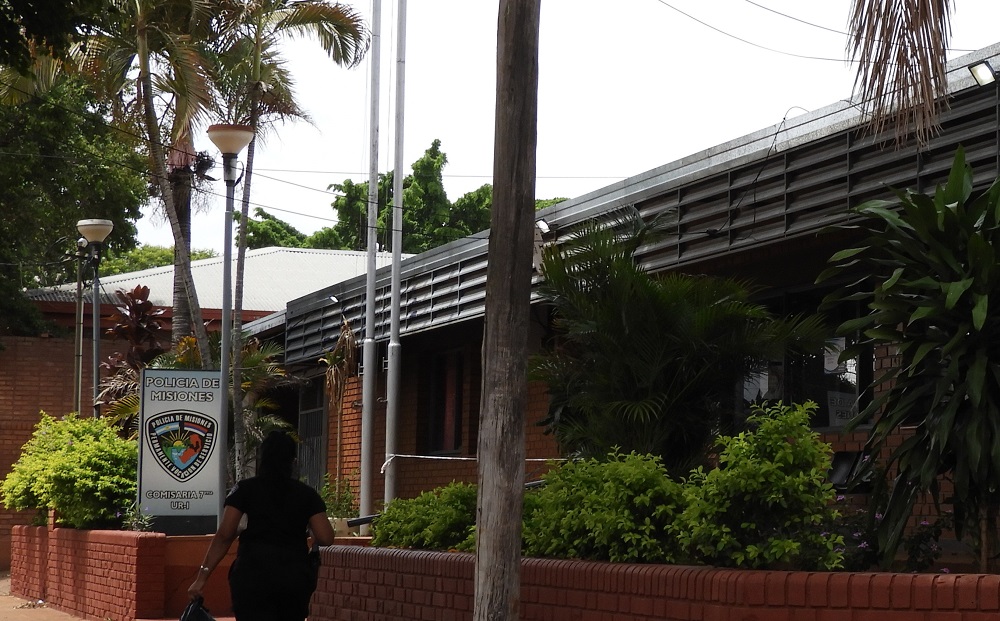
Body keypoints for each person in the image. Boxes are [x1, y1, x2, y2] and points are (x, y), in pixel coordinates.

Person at [188, 431, 335, 621]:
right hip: (293, 576)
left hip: (252, 574)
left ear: (262, 459)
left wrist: (201, 579)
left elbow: (225, 534)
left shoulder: (245, 489)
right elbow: (325, 537)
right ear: (293, 461)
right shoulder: (307, 494)